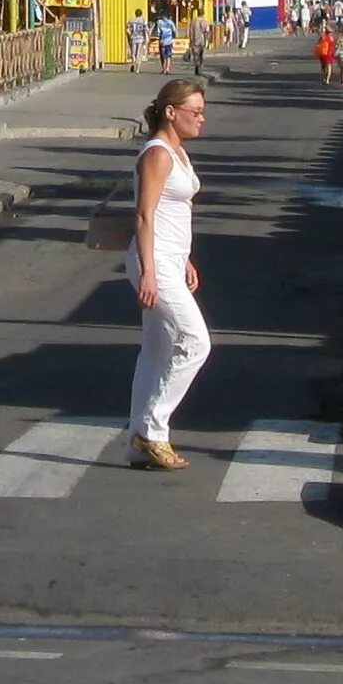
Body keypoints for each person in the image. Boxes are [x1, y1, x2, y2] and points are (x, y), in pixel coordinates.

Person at [126, 77, 212, 471]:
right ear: (171, 112)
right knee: (195, 342)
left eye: (203, 111)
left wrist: (186, 258)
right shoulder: (158, 153)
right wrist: (149, 272)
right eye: (194, 112)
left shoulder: (178, 152)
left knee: (157, 352)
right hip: (154, 261)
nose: (202, 119)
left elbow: (174, 213)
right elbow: (144, 215)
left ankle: (135, 444)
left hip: (171, 259)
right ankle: (152, 430)